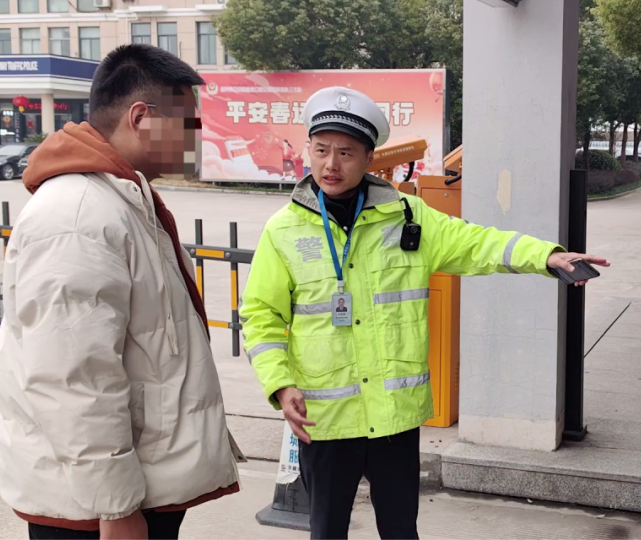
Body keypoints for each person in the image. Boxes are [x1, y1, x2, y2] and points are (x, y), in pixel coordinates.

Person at [241, 86, 607, 539]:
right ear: (308, 151)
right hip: (327, 418)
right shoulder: (283, 230)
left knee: (401, 531)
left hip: (394, 417)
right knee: (327, 531)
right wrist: (279, 384)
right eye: (321, 150)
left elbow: (476, 243)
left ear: (369, 158)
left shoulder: (408, 217)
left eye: (346, 153)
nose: (331, 164)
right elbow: (261, 316)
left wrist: (545, 256)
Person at [0, 44, 241, 540]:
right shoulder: (77, 215)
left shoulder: (123, 197)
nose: (197, 137)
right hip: (95, 507)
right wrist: (115, 505)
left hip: (135, 483)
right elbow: (72, 376)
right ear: (141, 118)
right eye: (189, 123)